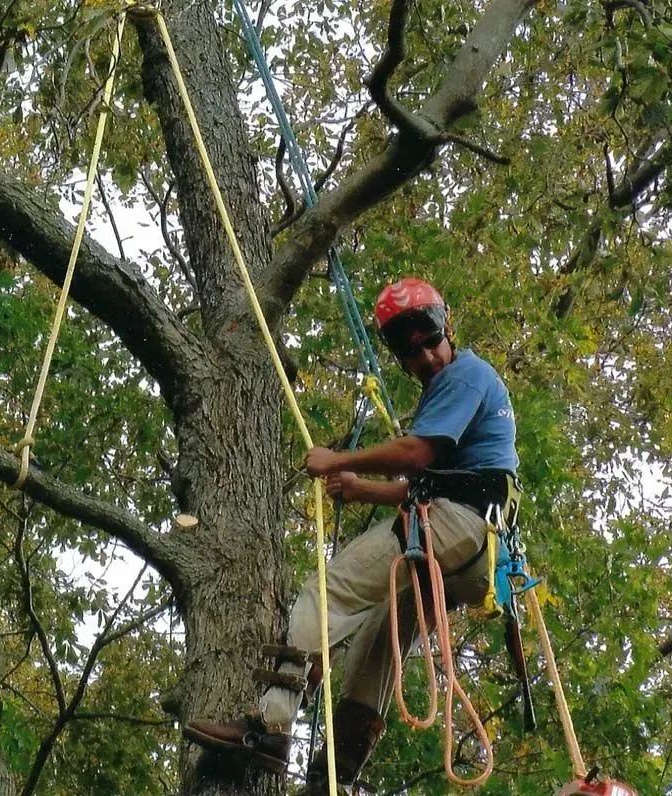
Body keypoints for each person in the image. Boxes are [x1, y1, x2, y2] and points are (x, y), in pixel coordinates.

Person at [182, 277, 521, 794]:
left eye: (431, 342)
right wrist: (362, 487)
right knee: (381, 635)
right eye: (412, 352)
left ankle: (269, 729)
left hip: (454, 525)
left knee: (328, 591)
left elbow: (417, 455)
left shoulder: (466, 375)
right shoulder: (456, 389)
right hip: (471, 549)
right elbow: (433, 480)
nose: (427, 357)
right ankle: (333, 778)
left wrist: (336, 459)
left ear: (447, 327)